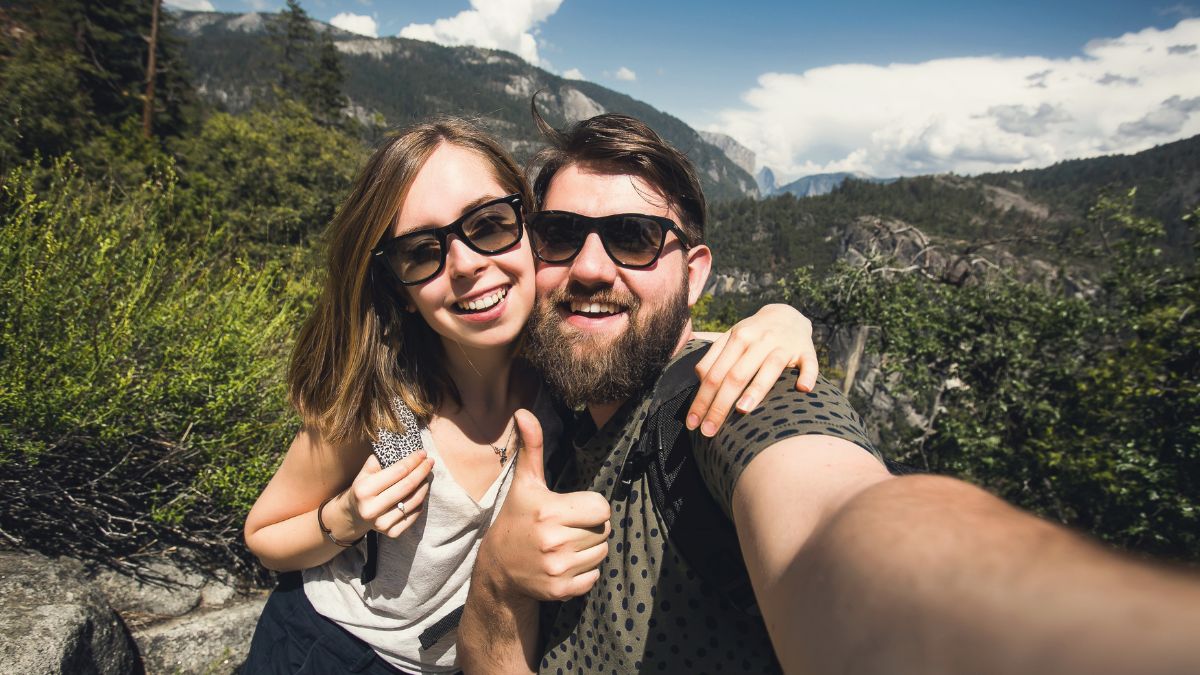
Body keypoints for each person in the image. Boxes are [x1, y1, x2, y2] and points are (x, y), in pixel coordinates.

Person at [458, 111, 1200, 674]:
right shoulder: (466, 391)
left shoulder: (726, 402)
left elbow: (837, 513)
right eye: (560, 233)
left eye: (634, 237)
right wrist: (475, 571)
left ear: (696, 273)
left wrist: (1095, 627)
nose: (589, 265)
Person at [240, 117, 821, 675]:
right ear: (398, 286)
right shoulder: (384, 403)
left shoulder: (564, 373)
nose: (466, 265)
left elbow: (657, 335)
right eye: (422, 252)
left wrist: (780, 322)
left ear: (531, 230)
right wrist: (345, 516)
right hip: (326, 649)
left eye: (489, 225)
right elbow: (264, 536)